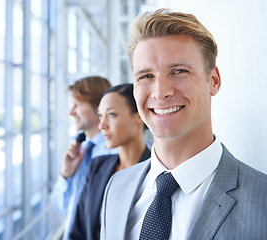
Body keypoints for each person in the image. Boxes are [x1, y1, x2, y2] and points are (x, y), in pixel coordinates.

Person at [100, 8, 267, 240]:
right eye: (146, 76)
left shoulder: (262, 202)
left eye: (179, 71)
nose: (161, 93)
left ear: (214, 81)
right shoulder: (116, 187)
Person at [70, 84, 151, 240]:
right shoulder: (97, 165)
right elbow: (78, 230)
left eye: (112, 114)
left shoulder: (157, 172)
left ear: (139, 116)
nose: (102, 125)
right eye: (100, 116)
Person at [51, 76, 118, 240]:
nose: (71, 112)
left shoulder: (116, 154)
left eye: (78, 105)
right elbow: (63, 207)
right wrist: (66, 174)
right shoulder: (80, 152)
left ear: (98, 107)